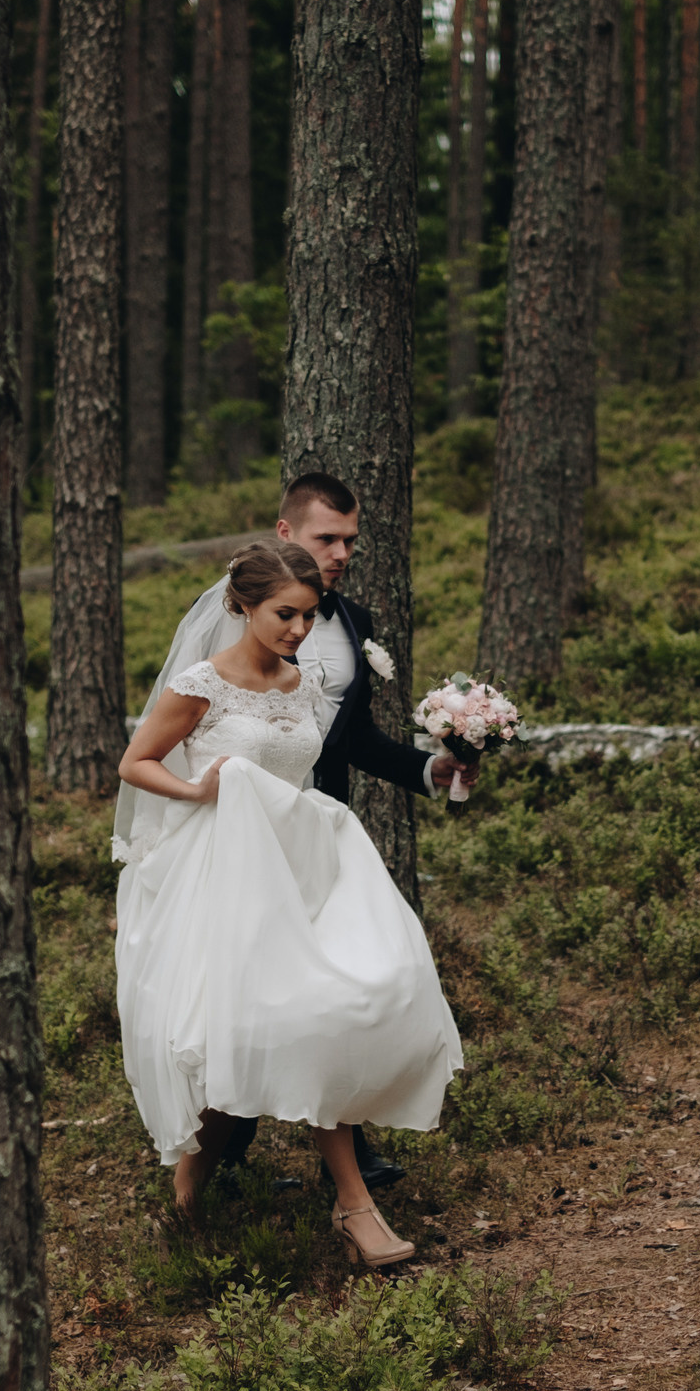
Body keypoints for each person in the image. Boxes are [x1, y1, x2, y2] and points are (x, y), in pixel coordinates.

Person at [113, 539, 465, 1269]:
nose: (299, 630)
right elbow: (135, 762)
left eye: (307, 616)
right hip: (222, 873)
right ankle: (213, 1197)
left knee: (337, 1004)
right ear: (242, 604)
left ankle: (344, 1201)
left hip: (303, 864)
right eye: (284, 614)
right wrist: (199, 789)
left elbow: (311, 767)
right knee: (232, 1035)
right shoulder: (202, 682)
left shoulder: (304, 683)